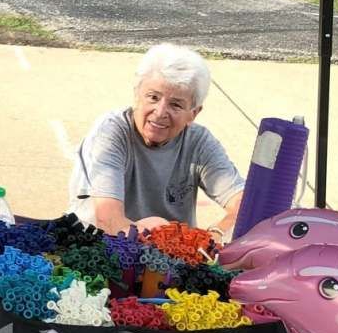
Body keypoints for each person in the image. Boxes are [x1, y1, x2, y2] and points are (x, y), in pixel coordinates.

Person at [69, 43, 244, 235]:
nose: (160, 112)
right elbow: (108, 220)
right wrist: (163, 240)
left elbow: (244, 203)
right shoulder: (110, 133)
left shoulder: (199, 142)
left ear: (193, 114)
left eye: (175, 105)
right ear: (137, 96)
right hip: (99, 248)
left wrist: (217, 233)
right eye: (153, 97)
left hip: (168, 257)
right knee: (156, 223)